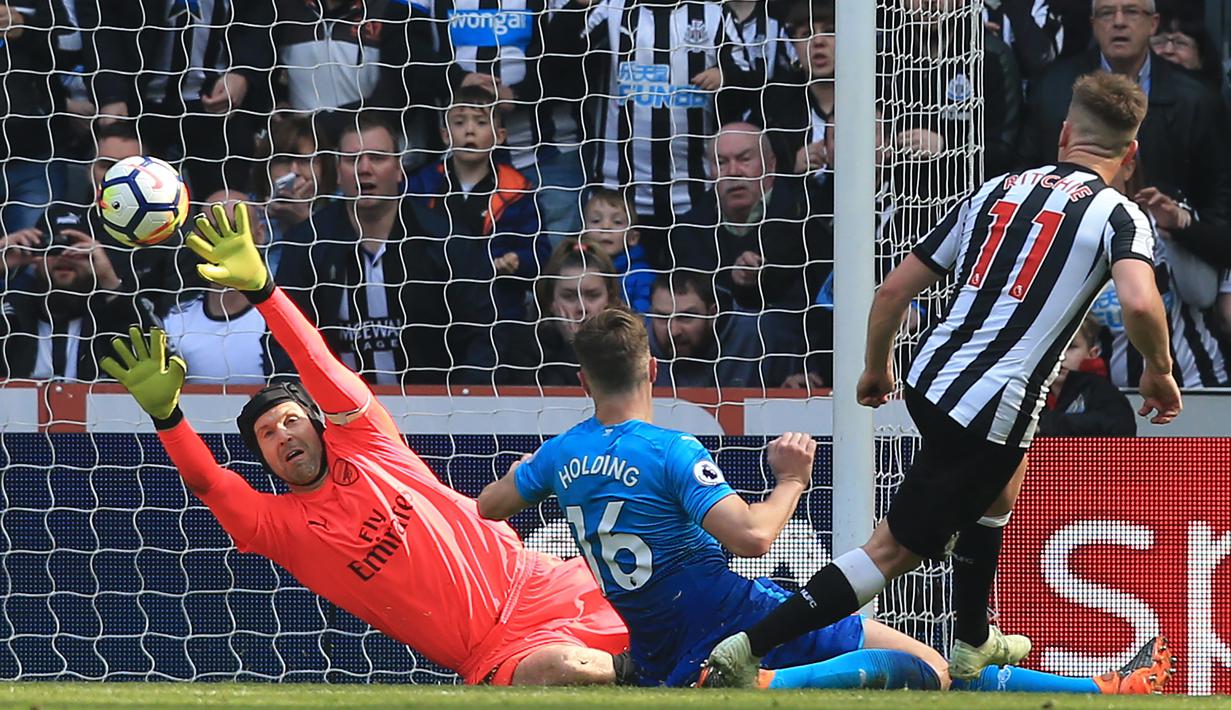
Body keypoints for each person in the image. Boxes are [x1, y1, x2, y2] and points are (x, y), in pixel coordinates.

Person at [703, 72, 1180, 692]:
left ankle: (974, 639)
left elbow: (893, 291)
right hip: (991, 402)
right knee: (892, 551)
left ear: (1065, 133)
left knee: (1001, 486)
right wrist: (1158, 370)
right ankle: (746, 650)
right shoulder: (1120, 215)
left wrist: (876, 367)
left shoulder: (996, 190)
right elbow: (1140, 303)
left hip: (932, 378)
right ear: (1131, 153)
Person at [476, 308, 1170, 694]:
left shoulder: (562, 455)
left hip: (659, 644)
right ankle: (764, 683)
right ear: (652, 368)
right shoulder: (668, 450)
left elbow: (489, 506)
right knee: (929, 669)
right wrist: (791, 479)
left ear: (582, 379)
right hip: (733, 615)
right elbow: (752, 537)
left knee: (930, 666)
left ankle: (1104, 689)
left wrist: (532, 471)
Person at [98, 201, 630, 686]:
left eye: (290, 421)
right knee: (565, 669)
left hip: (544, 584)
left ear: (318, 425)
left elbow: (318, 364)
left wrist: (264, 291)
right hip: (497, 649)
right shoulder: (283, 528)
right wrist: (168, 417)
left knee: (669, 608)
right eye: (267, 435)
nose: (283, 436)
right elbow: (208, 483)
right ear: (265, 460)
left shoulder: (368, 441)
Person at [273, 114, 499, 385]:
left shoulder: (448, 242)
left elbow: (483, 336)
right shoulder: (305, 244)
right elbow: (283, 340)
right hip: (333, 407)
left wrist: (462, 402)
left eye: (377, 158)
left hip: (433, 404)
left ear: (399, 169)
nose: (364, 168)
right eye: (352, 159)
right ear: (338, 172)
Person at [1019, 0, 1231, 234]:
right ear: (1093, 24)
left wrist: (1186, 226)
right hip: (1069, 232)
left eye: (1131, 12)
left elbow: (1218, 199)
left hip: (1169, 241)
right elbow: (1026, 172)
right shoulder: (1052, 88)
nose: (1119, 22)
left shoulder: (1196, 98)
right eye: (1106, 13)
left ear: (1153, 24)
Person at [407, 86, 547, 322]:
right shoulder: (422, 186)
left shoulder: (518, 190)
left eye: (481, 123)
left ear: (500, 136)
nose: (469, 131)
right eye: (459, 123)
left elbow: (540, 253)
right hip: (432, 311)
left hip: (499, 312)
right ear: (445, 135)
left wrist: (517, 261)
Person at [0, 203, 161, 380]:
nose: (65, 256)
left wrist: (110, 282)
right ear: (35, 255)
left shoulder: (118, 313)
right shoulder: (11, 312)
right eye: (54, 247)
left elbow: (162, 369)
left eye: (77, 248)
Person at [163, 191, 270, 385]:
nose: (223, 240)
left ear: (260, 233)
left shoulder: (281, 317)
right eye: (211, 230)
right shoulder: (176, 321)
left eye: (234, 228)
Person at [494, 238, 624, 387]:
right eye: (569, 296)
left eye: (593, 296)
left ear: (609, 298)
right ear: (550, 300)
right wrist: (573, 347)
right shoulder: (525, 348)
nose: (582, 308)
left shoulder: (625, 348)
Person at [1038, 315, 1136, 436]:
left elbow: (1117, 428)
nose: (1060, 356)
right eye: (1051, 347)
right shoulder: (1028, 393)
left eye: (1070, 347)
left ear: (1093, 353)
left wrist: (1042, 425)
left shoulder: (1106, 393)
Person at [580, 187, 653, 314]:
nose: (605, 227)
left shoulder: (642, 276)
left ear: (633, 237)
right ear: (583, 232)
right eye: (596, 221)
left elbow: (644, 316)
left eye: (617, 222)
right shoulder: (575, 269)